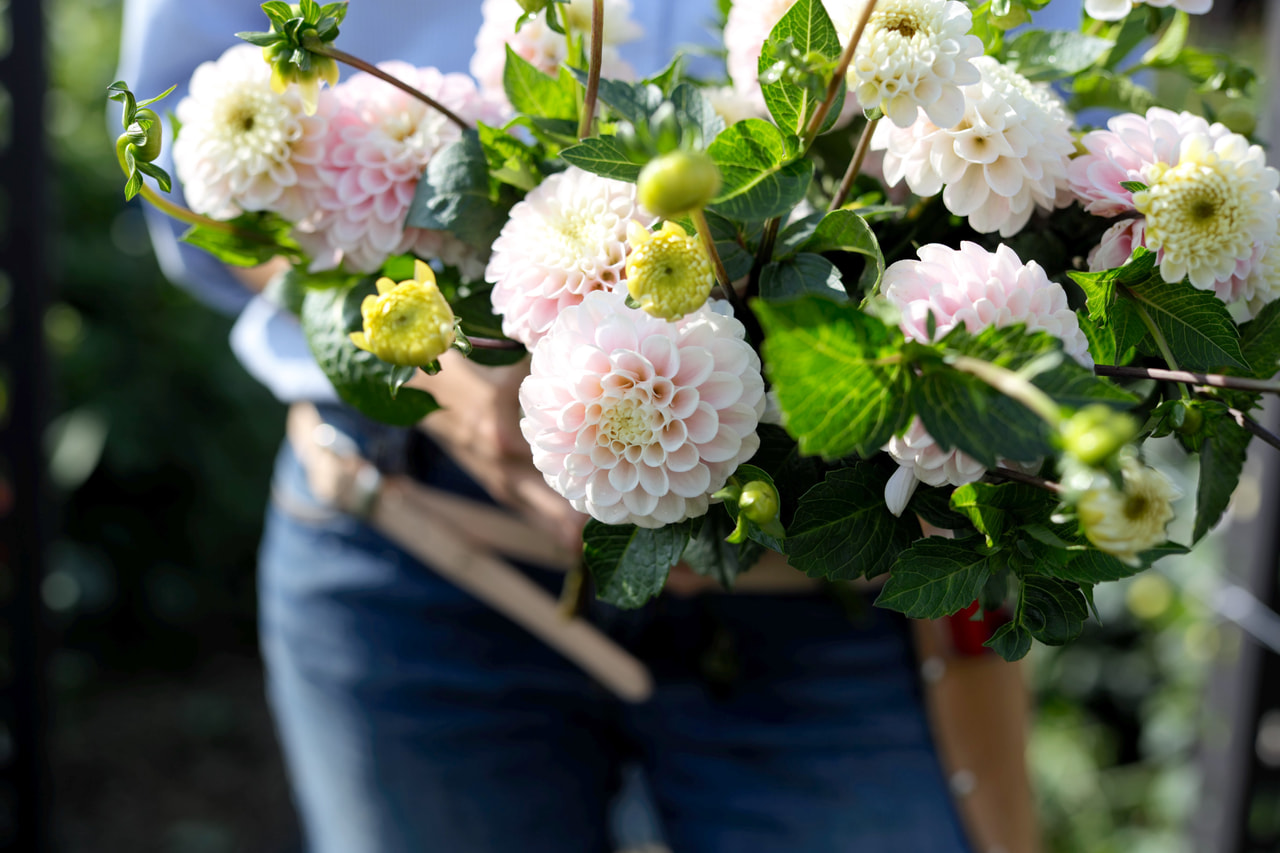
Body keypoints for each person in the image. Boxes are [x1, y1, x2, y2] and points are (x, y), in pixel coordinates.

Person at [117, 1, 1063, 850]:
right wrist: (448, 373)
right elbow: (195, 138)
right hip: (416, 536)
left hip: (831, 563)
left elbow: (1071, 143)